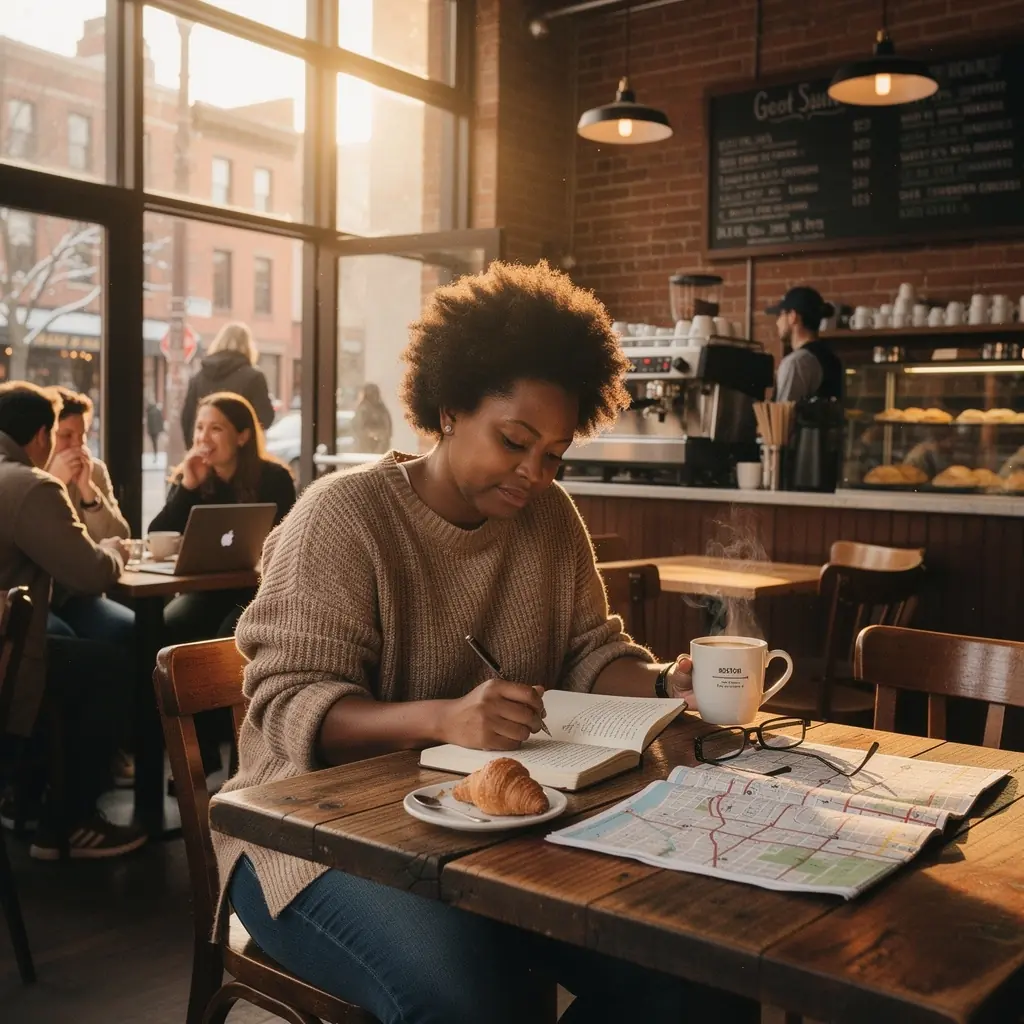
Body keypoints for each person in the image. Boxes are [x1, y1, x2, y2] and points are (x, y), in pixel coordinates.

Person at [217, 262, 757, 1024]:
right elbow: (290, 707)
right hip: (308, 843)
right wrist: (443, 719)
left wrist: (667, 682)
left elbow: (592, 653)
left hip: (495, 831)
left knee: (690, 976)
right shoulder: (342, 518)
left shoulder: (550, 519)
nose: (534, 474)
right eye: (514, 441)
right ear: (447, 409)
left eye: (554, 455)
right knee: (476, 1001)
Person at [0, 382, 146, 859]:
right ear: (42, 435)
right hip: (10, 644)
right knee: (108, 669)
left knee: (114, 636)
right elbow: (89, 571)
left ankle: (30, 794)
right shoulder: (31, 484)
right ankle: (66, 820)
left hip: (28, 619)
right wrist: (108, 553)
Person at [151, 392, 296, 645]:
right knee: (163, 631)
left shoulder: (275, 478)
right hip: (204, 592)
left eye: (215, 428)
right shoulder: (190, 476)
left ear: (243, 436)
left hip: (258, 592)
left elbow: (288, 543)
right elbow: (158, 534)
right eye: (199, 428)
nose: (203, 438)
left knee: (227, 639)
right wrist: (187, 486)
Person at [45, 387, 134, 650]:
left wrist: (88, 493)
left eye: (82, 436)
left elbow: (120, 535)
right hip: (42, 595)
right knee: (64, 642)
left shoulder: (93, 470)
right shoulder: (30, 472)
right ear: (45, 435)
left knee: (131, 630)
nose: (77, 446)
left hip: (78, 594)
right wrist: (54, 483)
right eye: (66, 436)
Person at [180, 322, 274, 444]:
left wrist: (195, 450)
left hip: (204, 453)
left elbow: (186, 420)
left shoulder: (198, 378)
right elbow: (265, 418)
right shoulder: (254, 378)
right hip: (239, 455)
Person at [766, 286, 843, 403]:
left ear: (793, 316)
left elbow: (782, 417)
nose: (777, 322)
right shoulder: (832, 359)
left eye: (780, 315)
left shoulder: (796, 362)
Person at [350, 381, 393, 453]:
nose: (375, 396)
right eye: (372, 393)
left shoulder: (382, 409)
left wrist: (384, 436)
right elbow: (359, 428)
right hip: (366, 448)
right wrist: (374, 434)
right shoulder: (363, 409)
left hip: (381, 447)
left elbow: (388, 427)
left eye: (376, 393)